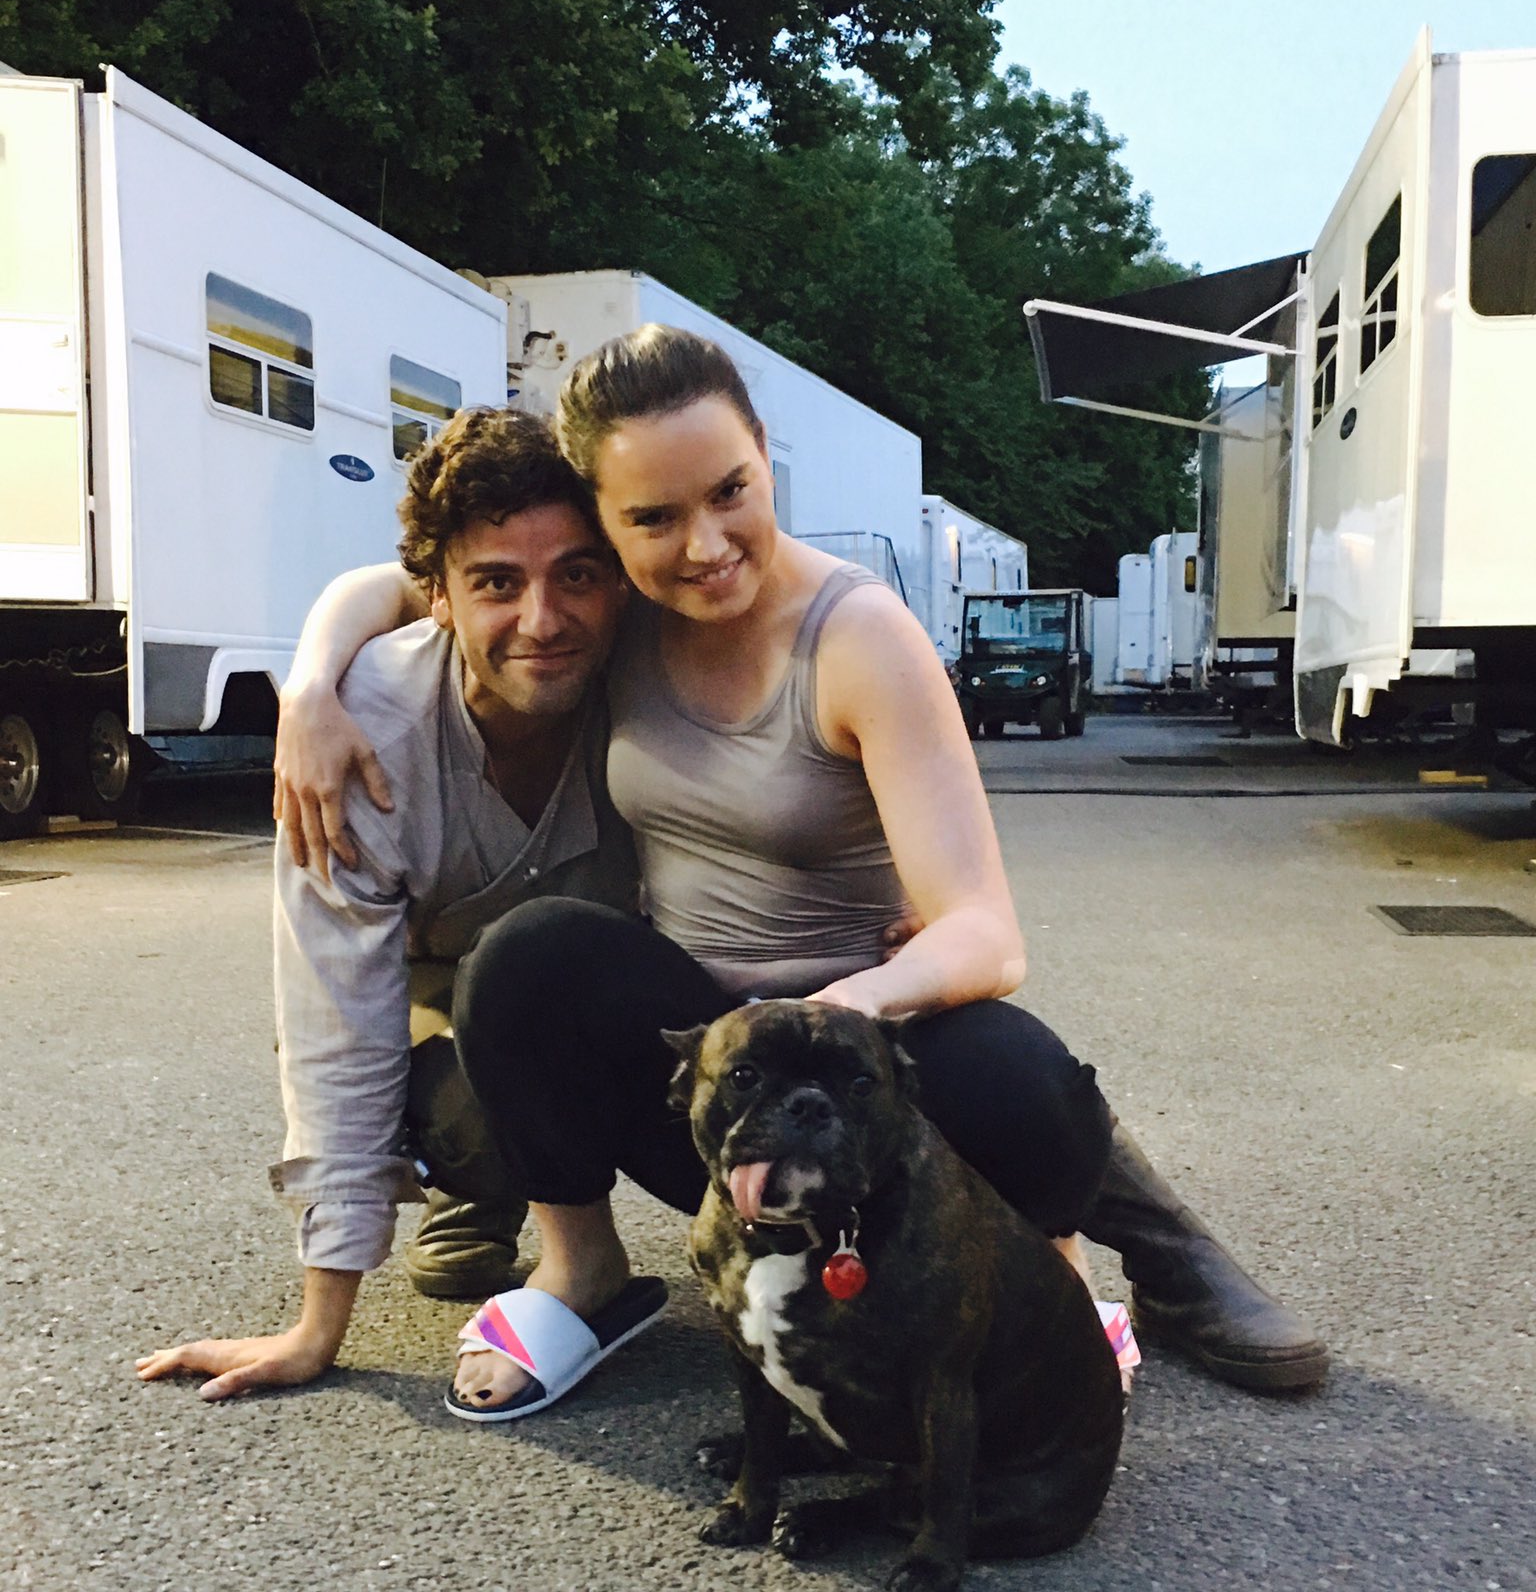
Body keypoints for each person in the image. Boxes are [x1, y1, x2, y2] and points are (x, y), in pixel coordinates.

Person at [272, 327, 1328, 1416]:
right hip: (715, 1072)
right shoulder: (620, 608)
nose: (704, 545)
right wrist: (309, 683)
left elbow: (987, 933)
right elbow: (428, 577)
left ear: (765, 453)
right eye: (654, 518)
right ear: (611, 525)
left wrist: (838, 1012)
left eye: (731, 490)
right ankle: (582, 1268)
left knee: (1022, 1076)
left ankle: (1127, 1260)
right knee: (529, 961)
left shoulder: (855, 633)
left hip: (857, 1050)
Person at [136, 410, 640, 1400]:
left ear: (621, 578)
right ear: (438, 598)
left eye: (578, 573)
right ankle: (490, 1191)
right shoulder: (362, 731)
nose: (543, 619)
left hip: (608, 993)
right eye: (497, 582)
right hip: (438, 990)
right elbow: (335, 1018)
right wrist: (317, 1328)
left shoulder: (658, 680)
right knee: (466, 1086)